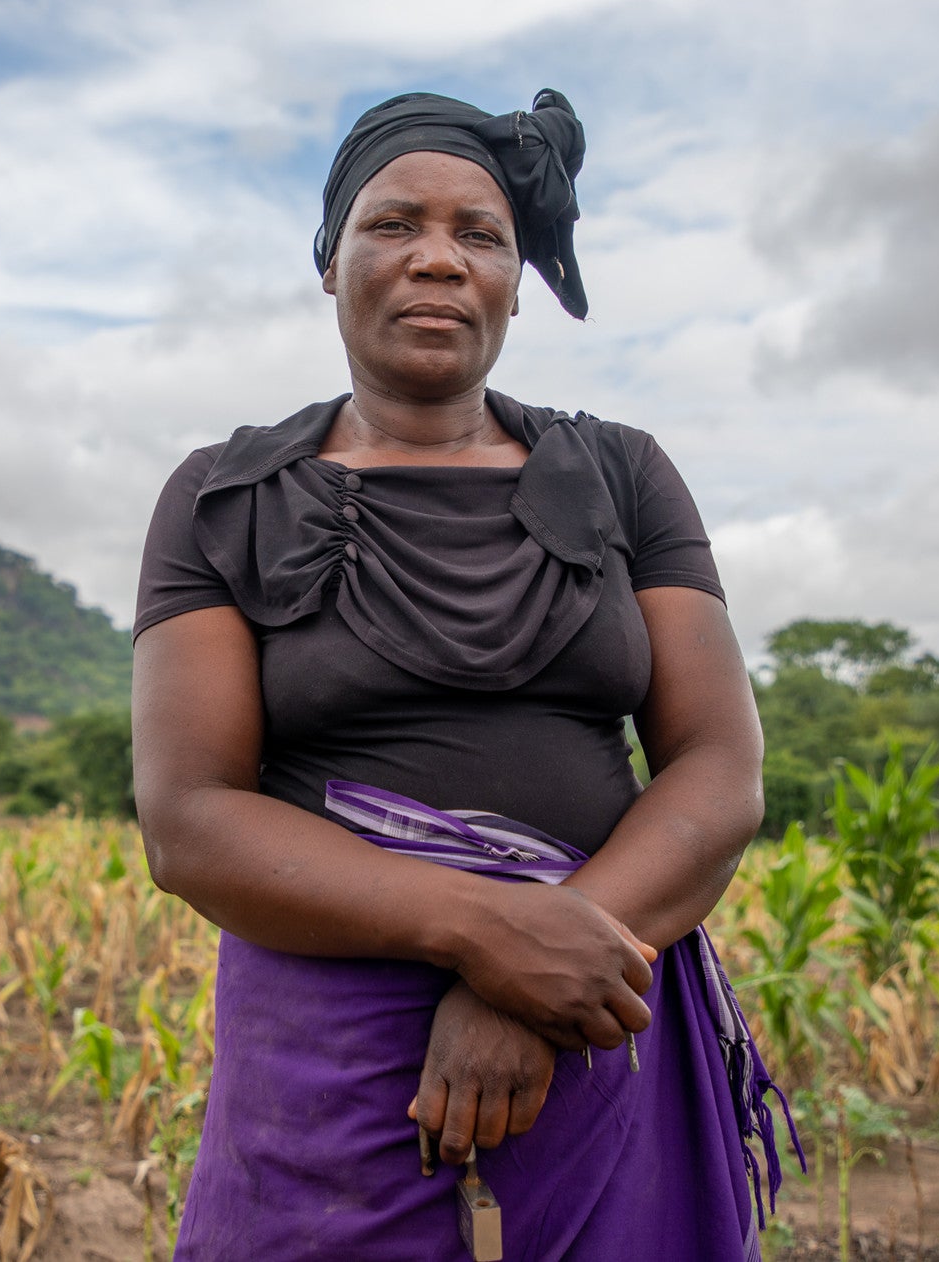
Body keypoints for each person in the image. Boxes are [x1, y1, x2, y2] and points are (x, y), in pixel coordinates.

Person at [132, 88, 790, 1260]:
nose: (437, 257)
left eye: (479, 234)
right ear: (329, 262)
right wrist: (488, 935)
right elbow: (189, 818)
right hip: (334, 1054)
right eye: (393, 223)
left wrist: (541, 975)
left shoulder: (624, 473)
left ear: (514, 280)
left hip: (598, 1005)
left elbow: (717, 767)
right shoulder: (222, 494)